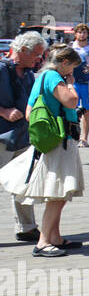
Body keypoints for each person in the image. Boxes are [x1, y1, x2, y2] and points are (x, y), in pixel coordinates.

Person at [0, 46, 84, 257]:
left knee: (59, 194)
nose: (72, 72)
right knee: (57, 194)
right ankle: (44, 242)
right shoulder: (54, 77)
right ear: (64, 62)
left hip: (52, 141)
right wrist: (72, 86)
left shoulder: (41, 77)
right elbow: (71, 101)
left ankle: (54, 237)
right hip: (60, 140)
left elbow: (29, 113)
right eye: (72, 66)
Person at [0, 32, 45, 242]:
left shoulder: (28, 74)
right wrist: (3, 111)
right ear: (23, 50)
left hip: (22, 135)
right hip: (2, 135)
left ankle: (26, 226)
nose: (39, 59)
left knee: (24, 181)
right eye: (36, 54)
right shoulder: (1, 69)